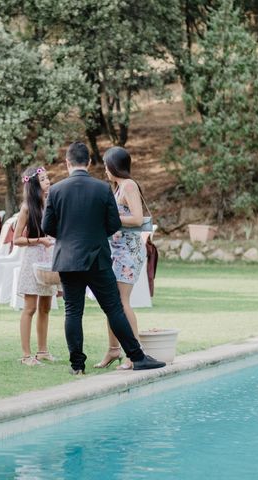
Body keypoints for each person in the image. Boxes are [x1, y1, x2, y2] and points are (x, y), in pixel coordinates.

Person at [41, 141, 165, 374]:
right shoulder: (102, 188)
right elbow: (112, 223)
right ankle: (137, 358)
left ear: (67, 162)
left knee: (73, 312)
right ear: (89, 162)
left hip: (67, 259)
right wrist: (95, 236)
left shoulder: (56, 190)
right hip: (98, 257)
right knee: (114, 308)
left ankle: (77, 366)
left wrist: (67, 237)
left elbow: (47, 226)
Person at [94, 146, 148, 370]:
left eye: (106, 165)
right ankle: (113, 349)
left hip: (128, 253)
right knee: (111, 303)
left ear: (114, 166)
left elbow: (137, 218)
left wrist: (109, 215)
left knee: (122, 303)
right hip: (115, 252)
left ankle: (133, 354)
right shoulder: (118, 187)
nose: (105, 170)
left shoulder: (129, 185)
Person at [13, 166, 57, 366]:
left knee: (46, 307)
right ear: (33, 185)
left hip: (49, 258)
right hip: (33, 259)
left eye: (47, 178)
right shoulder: (26, 208)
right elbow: (16, 239)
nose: (47, 181)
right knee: (30, 308)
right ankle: (25, 355)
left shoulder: (50, 204)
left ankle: (42, 351)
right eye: (43, 179)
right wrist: (39, 240)